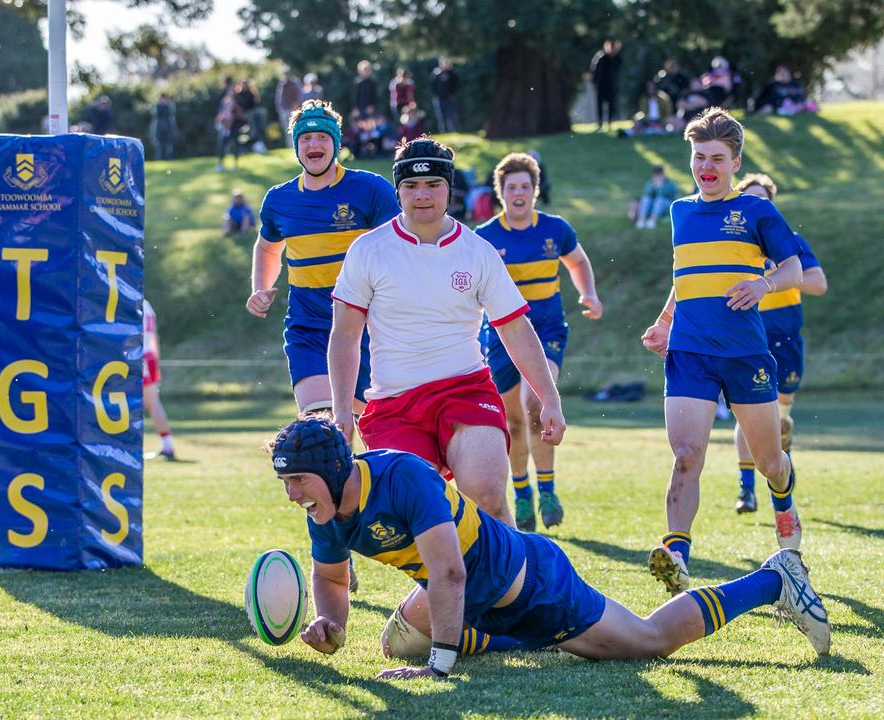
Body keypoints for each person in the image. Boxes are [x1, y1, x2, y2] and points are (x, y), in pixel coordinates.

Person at [268, 416, 830, 681]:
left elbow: (450, 576)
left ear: (332, 470)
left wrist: (439, 670)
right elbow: (334, 578)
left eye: (297, 481)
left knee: (648, 643)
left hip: (531, 584)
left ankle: (774, 579)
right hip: (470, 590)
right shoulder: (326, 509)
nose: (292, 495)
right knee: (395, 648)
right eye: (287, 483)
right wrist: (329, 622)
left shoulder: (403, 479)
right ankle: (495, 637)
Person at [329, 137, 563, 530]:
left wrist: (550, 398)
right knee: (417, 515)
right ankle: (437, 592)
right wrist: (341, 412)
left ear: (449, 189)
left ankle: (513, 586)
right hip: (395, 404)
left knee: (488, 496)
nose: (422, 195)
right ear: (397, 189)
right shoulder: (369, 250)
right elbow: (346, 335)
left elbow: (515, 327)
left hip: (465, 391)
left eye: (433, 185)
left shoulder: (477, 251)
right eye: (411, 186)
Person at [640, 108, 803, 595]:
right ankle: (677, 555)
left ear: (735, 162)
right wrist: (665, 321)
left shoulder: (757, 212)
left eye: (716, 158)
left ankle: (783, 504)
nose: (705, 166)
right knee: (687, 454)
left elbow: (793, 269)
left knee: (769, 460)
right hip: (689, 351)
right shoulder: (680, 211)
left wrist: (763, 284)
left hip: (744, 354)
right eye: (698, 157)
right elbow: (684, 276)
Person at [247, 100, 399, 418]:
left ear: (336, 144)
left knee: (373, 427)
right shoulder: (279, 200)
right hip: (308, 328)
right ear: (296, 146)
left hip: (367, 328)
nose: (314, 144)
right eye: (305, 138)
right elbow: (267, 247)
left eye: (322, 137)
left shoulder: (370, 189)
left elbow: (399, 249)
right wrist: (260, 288)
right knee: (321, 424)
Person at [475, 151, 601, 532]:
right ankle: (523, 491)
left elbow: (577, 262)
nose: (519, 193)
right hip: (499, 336)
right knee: (512, 422)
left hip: (545, 331)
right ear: (501, 193)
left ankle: (547, 489)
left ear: (535, 191)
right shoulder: (484, 238)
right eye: (511, 187)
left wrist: (589, 294)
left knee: (536, 403)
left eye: (525, 186)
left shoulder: (555, 229)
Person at [731, 173, 826, 513]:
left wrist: (776, 277)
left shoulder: (789, 241)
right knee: (750, 414)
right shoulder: (734, 245)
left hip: (786, 340)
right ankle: (746, 491)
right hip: (750, 339)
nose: (758, 206)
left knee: (780, 415)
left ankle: (781, 464)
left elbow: (818, 283)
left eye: (764, 200)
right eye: (751, 199)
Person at [141, 298, 177, 460]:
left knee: (149, 402)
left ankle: (168, 446)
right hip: (149, 356)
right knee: (152, 402)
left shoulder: (130, 300)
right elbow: (155, 336)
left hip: (139, 356)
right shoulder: (147, 304)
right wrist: (156, 362)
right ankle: (167, 444)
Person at [589, 39, 622, 131]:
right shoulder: (600, 57)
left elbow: (618, 68)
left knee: (611, 105)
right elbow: (594, 71)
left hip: (611, 86)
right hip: (601, 85)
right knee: (600, 104)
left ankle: (609, 122)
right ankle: (600, 122)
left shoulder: (615, 58)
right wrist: (594, 83)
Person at [430, 58, 460, 134]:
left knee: (452, 116)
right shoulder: (436, 73)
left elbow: (456, 85)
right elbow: (432, 86)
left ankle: (455, 131)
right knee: (441, 117)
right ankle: (443, 132)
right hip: (439, 98)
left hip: (450, 98)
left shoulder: (452, 73)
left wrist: (452, 94)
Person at [150, 93, 179, 161]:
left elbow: (172, 116)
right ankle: (159, 159)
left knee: (169, 144)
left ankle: (170, 158)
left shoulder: (170, 106)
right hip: (159, 127)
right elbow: (154, 115)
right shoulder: (156, 106)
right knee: (159, 144)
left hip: (169, 127)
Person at [275, 71, 301, 144]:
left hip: (292, 109)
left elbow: (299, 95)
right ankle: (290, 145)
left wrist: (296, 104)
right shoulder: (281, 84)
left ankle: (296, 143)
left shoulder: (295, 83)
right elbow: (278, 97)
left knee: (294, 127)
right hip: (283, 109)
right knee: (286, 129)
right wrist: (278, 107)